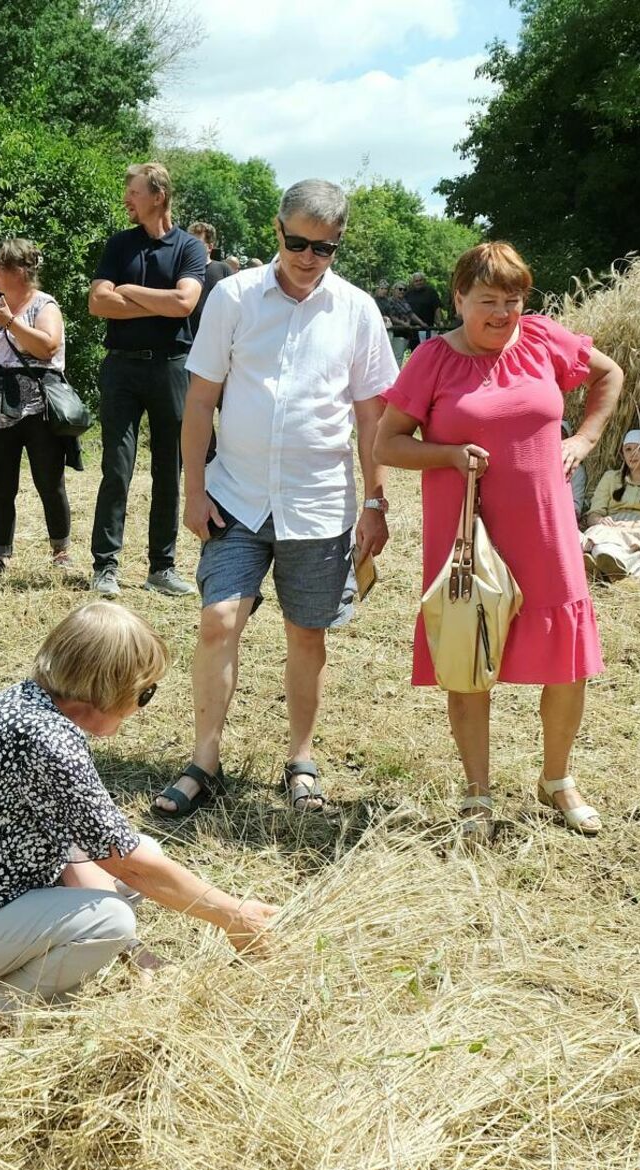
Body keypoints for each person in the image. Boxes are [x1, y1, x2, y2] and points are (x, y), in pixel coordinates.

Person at [0, 602, 280, 1040]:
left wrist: (134, 953)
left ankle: (0, 973)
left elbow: (84, 851)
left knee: (137, 870)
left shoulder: (23, 705)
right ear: (108, 688)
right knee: (111, 919)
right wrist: (234, 915)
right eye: (144, 693)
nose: (142, 706)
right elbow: (128, 863)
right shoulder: (49, 742)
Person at [154, 178, 398, 821]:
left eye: (325, 247)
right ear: (276, 230)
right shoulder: (232, 297)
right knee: (218, 620)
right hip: (235, 496)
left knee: (306, 635)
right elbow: (200, 400)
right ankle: (205, 759)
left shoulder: (358, 311)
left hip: (320, 503)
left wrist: (376, 501)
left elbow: (373, 416)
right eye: (298, 242)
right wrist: (193, 490)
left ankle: (301, 759)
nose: (309, 256)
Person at [374, 240, 623, 839]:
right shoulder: (431, 360)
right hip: (466, 537)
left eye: (512, 300)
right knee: (467, 657)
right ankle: (477, 794)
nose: (502, 313)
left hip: (544, 529)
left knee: (566, 662)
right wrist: (449, 455)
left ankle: (557, 779)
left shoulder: (542, 339)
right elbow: (387, 444)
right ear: (458, 298)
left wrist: (583, 440)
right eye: (487, 301)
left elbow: (608, 374)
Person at [88, 162, 206, 599]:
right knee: (116, 468)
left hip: (172, 368)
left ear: (158, 195)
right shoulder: (120, 244)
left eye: (133, 192)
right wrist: (161, 302)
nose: (127, 200)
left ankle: (162, 567)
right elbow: (98, 303)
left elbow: (185, 303)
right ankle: (105, 566)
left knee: (168, 470)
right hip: (121, 367)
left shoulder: (190, 248)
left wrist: (129, 292)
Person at [0, 237, 78, 577]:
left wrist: (9, 322)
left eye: (1, 265)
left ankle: (60, 550)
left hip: (39, 409)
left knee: (49, 481)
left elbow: (48, 347)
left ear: (21, 272)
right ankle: (0, 557)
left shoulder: (44, 305)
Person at [581, 429, 640, 581]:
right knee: (599, 537)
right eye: (628, 449)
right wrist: (600, 521)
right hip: (611, 524)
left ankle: (609, 566)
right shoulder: (610, 477)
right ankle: (606, 566)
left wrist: (631, 525)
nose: (633, 454)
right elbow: (594, 514)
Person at [187, 221, 230, 332]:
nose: (191, 247)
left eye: (196, 244)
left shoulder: (223, 270)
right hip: (185, 340)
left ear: (210, 247)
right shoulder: (181, 270)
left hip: (214, 335)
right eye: (188, 243)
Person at [404, 271, 442, 346]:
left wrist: (439, 322)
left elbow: (437, 308)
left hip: (427, 328)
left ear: (424, 280)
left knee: (427, 350)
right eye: (416, 281)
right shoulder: (408, 293)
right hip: (413, 329)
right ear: (413, 282)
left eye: (420, 280)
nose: (418, 283)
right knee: (414, 351)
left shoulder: (431, 292)